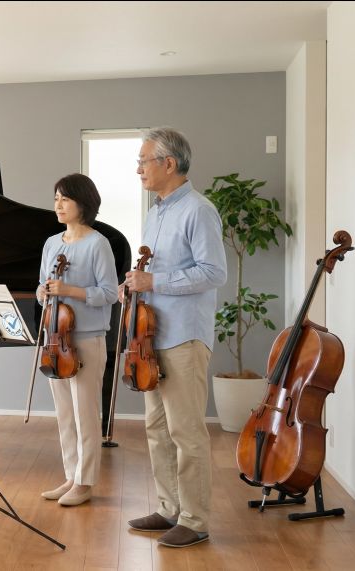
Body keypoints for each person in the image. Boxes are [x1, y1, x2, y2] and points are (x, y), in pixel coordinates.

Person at [123, 128, 226, 547]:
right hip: (151, 336)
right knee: (156, 428)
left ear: (169, 163)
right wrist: (134, 284)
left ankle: (195, 520)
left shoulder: (199, 210)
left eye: (144, 160)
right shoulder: (156, 212)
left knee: (186, 432)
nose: (139, 168)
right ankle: (168, 509)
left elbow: (213, 272)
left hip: (184, 336)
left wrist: (156, 279)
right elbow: (152, 274)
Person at [36, 174, 117, 507]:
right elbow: (43, 290)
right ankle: (71, 475)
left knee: (85, 413)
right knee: (64, 414)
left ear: (82, 203)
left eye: (65, 199)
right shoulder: (52, 243)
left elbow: (110, 293)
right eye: (56, 198)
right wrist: (44, 292)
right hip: (56, 340)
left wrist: (70, 290)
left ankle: (85, 482)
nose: (58, 205)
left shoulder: (98, 244)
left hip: (86, 339)